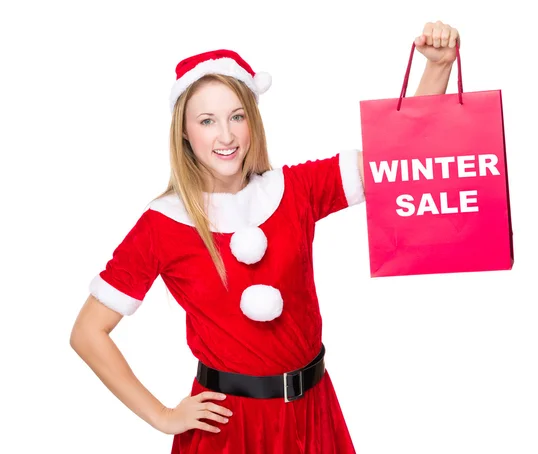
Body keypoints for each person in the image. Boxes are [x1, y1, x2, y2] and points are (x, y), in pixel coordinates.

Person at [70, 20, 461, 454]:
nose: (225, 135)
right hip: (228, 431)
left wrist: (437, 70)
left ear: (252, 120)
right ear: (184, 131)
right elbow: (88, 332)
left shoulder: (296, 190)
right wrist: (162, 415)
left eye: (237, 116)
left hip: (313, 415)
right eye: (207, 121)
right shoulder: (163, 223)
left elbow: (393, 160)